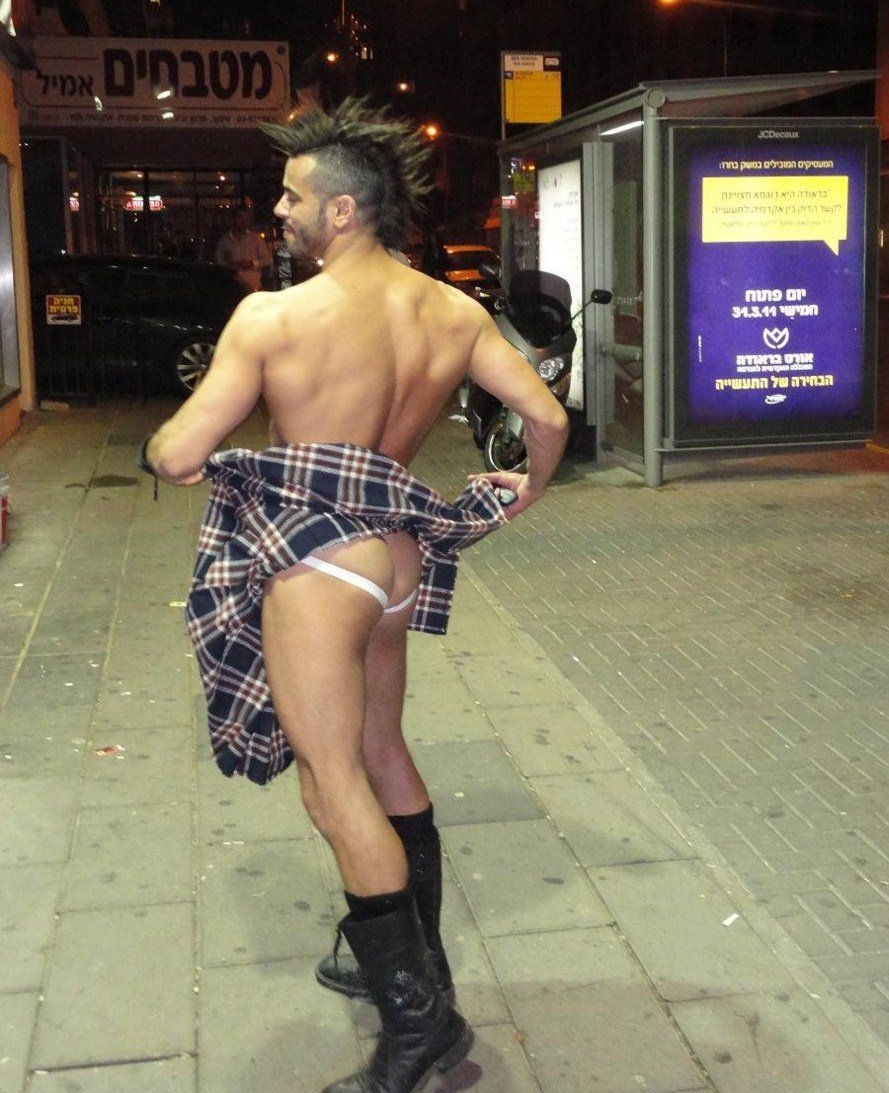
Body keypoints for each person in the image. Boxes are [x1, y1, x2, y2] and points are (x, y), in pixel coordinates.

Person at [140, 98, 568, 1093]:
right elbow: (545, 415)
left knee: (332, 785)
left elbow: (180, 452)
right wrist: (526, 488)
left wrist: (160, 447)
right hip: (397, 560)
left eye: (291, 197)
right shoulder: (452, 311)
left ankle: (419, 1026)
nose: (277, 211)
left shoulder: (271, 317)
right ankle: (425, 967)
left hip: (319, 566)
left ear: (341, 212)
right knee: (382, 751)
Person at [214, 206, 272, 291]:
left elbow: (267, 259)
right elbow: (218, 263)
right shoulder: (225, 241)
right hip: (232, 287)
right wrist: (231, 265)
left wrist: (252, 263)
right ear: (233, 219)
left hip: (253, 287)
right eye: (240, 217)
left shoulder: (256, 239)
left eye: (246, 218)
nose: (243, 221)